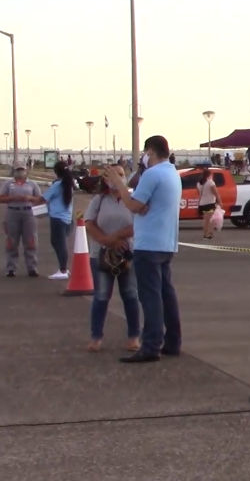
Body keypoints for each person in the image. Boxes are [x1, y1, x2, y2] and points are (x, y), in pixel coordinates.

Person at [101, 135, 183, 364]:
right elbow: (144, 202)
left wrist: (117, 182)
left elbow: (134, 205)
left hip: (149, 244)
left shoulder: (152, 174)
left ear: (151, 151)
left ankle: (151, 345)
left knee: (150, 296)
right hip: (166, 242)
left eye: (145, 153)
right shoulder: (172, 173)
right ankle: (173, 342)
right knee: (166, 294)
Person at [84, 163, 140, 353]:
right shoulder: (99, 200)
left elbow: (138, 225)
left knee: (131, 295)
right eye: (115, 175)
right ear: (106, 179)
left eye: (122, 174)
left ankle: (134, 336)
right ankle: (96, 336)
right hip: (100, 254)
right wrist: (105, 241)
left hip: (128, 253)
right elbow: (89, 223)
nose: (119, 178)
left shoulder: (132, 199)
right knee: (101, 296)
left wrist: (116, 238)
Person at [1, 164, 42, 277]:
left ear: (26, 171)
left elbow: (40, 199)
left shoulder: (32, 184)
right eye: (18, 170)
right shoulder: (8, 184)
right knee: (11, 241)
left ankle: (32, 268)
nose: (20, 172)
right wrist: (12, 198)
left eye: (22, 170)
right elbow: (1, 198)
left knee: (30, 241)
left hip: (28, 213)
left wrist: (30, 198)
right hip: (12, 212)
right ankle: (11, 268)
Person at [42, 160, 76, 280]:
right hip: (66, 218)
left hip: (57, 217)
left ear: (56, 172)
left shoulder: (58, 185)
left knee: (59, 244)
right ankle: (63, 268)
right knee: (56, 242)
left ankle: (62, 270)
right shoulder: (68, 184)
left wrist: (28, 198)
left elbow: (43, 199)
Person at [196, 167, 221, 240]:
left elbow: (198, 193)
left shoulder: (199, 183)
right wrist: (220, 202)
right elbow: (216, 193)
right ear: (209, 175)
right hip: (210, 203)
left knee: (205, 219)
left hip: (202, 204)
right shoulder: (211, 183)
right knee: (210, 220)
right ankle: (209, 234)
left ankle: (206, 234)